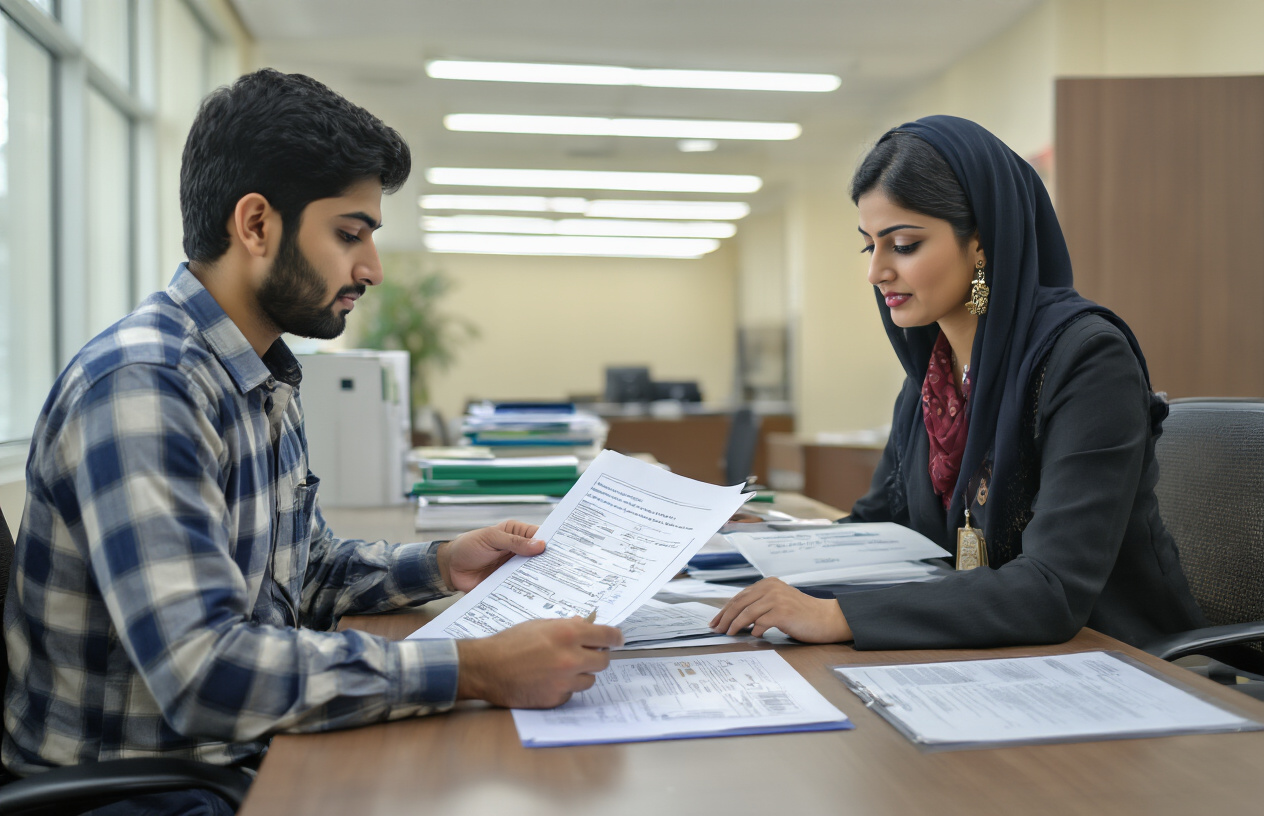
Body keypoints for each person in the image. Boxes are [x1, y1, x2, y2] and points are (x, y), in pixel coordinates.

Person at [2, 69, 621, 813]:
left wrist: (444, 563)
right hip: (148, 790)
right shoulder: (145, 387)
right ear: (256, 224)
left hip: (224, 757)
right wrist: (474, 669)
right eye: (349, 234)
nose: (373, 269)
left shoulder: (256, 371)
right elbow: (205, 673)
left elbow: (306, 574)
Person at [711, 115, 1205, 650]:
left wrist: (840, 617)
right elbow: (881, 526)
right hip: (982, 654)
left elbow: (1052, 589)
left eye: (902, 244)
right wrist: (759, 544)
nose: (876, 273)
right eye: (868, 246)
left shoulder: (1086, 360)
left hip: (1117, 659)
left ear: (981, 244)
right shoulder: (935, 372)